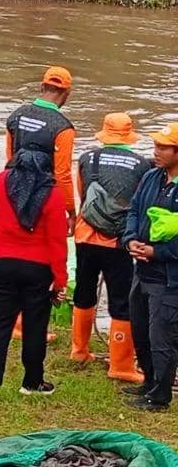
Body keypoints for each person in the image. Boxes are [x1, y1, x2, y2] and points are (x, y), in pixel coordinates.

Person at [0, 149, 69, 403]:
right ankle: (32, 381)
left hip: (3, 262)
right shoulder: (53, 193)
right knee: (35, 325)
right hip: (38, 268)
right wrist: (60, 280)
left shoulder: (1, 182)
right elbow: (57, 241)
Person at [71, 113, 150, 382]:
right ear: (129, 135)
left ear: (103, 133)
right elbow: (140, 203)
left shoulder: (87, 159)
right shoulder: (142, 164)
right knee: (121, 300)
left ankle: (79, 351)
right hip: (118, 241)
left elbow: (84, 197)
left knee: (83, 291)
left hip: (85, 236)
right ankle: (121, 366)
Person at [122, 123, 178, 413]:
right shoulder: (150, 177)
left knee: (162, 337)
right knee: (140, 329)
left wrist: (159, 252)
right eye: (155, 145)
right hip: (141, 270)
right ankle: (148, 381)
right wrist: (130, 239)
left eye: (163, 147)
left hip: (168, 278)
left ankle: (160, 395)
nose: (156, 152)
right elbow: (134, 210)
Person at [6, 66, 77, 225]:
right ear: (67, 93)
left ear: (42, 87)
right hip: (44, 196)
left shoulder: (16, 115)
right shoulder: (63, 127)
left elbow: (10, 159)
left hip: (14, 189)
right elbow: (62, 174)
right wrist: (71, 211)